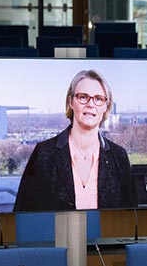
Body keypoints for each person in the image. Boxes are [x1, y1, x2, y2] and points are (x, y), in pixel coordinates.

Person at [14, 69, 136, 211]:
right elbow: (22, 216)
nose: (91, 104)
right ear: (71, 102)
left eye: (98, 99)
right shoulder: (44, 153)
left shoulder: (118, 156)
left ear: (106, 106)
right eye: (83, 97)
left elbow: (132, 218)